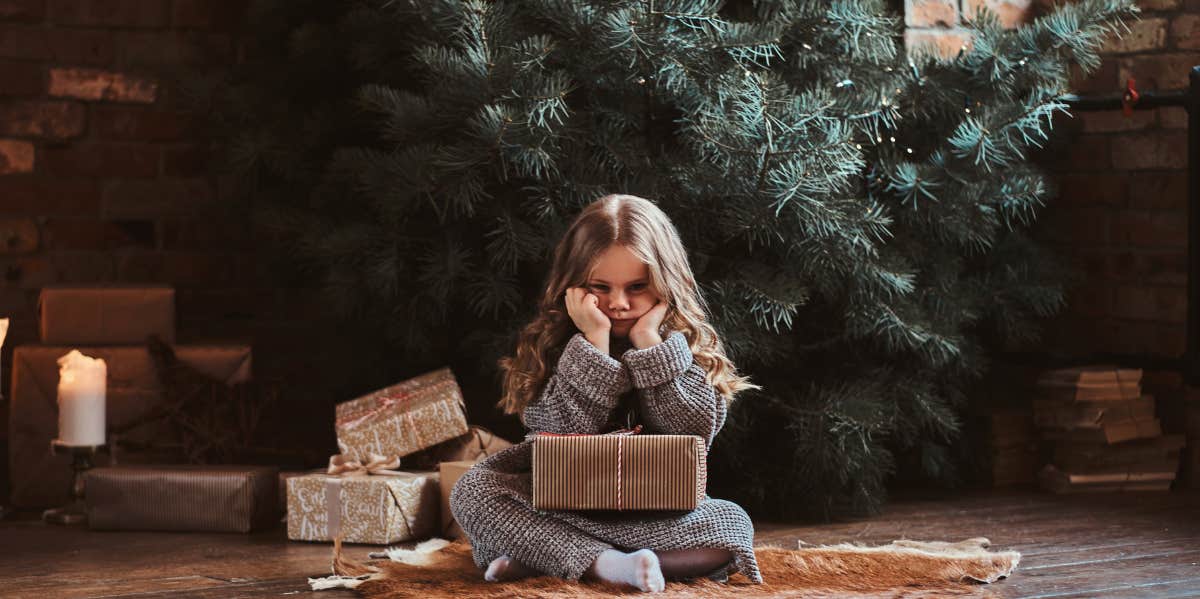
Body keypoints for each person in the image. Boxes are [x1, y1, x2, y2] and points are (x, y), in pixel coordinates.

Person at [450, 194, 763, 592]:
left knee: (732, 525)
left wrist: (650, 345)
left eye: (637, 287)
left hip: (655, 515)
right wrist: (594, 342)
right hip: (561, 506)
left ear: (666, 286)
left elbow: (695, 432)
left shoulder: (681, 348)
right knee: (474, 490)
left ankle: (550, 558)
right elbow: (559, 434)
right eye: (601, 287)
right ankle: (607, 563)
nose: (618, 303)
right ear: (574, 287)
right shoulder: (556, 346)